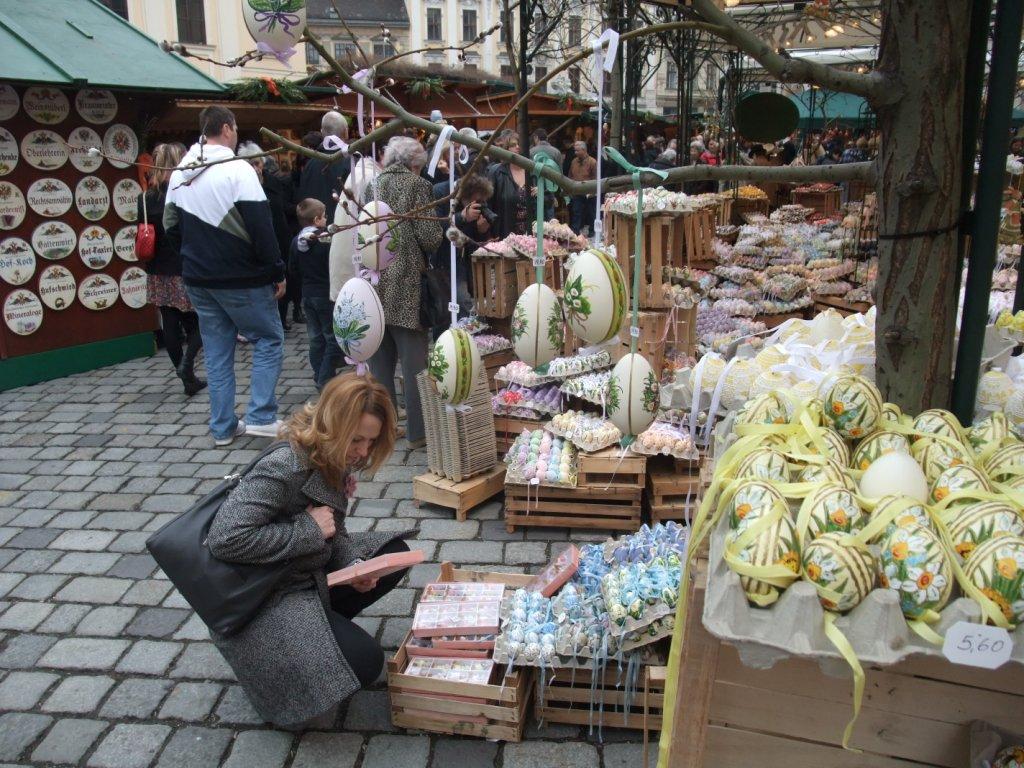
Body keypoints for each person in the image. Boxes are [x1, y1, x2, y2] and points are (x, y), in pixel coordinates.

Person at [207, 373, 412, 728]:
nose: (363, 451)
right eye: (357, 439)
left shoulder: (334, 458)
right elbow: (225, 537)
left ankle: (315, 640)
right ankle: (283, 656)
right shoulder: (285, 466)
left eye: (370, 441)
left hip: (305, 578)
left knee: (390, 556)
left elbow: (335, 532)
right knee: (364, 663)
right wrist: (308, 530)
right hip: (264, 596)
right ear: (334, 425)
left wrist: (355, 564)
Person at [164, 105, 286, 446]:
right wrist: (276, 269)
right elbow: (262, 227)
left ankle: (222, 427)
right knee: (268, 339)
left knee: (217, 352)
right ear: (228, 128)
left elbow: (170, 226)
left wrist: (192, 257)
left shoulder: (179, 172)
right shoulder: (238, 169)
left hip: (199, 278)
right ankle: (261, 415)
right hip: (242, 276)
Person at [366, 137, 444, 449]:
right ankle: (418, 432)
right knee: (415, 364)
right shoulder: (416, 186)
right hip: (407, 283)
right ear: (415, 163)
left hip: (374, 279)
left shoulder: (371, 184)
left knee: (380, 362)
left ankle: (381, 431)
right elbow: (430, 238)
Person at [138, 142, 206, 397]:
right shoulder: (184, 192)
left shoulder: (144, 199)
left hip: (157, 267)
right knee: (203, 318)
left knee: (169, 319)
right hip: (184, 264)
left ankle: (183, 371)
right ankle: (187, 366)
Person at [239, 141, 303, 331]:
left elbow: (281, 207)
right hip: (256, 240)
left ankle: (281, 319)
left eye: (257, 163)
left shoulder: (273, 181)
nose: (255, 168)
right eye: (251, 164)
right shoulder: (241, 185)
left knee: (283, 279)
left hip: (279, 235)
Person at [291, 198, 341, 391]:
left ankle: (318, 371)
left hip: (307, 293)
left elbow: (293, 268)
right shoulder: (325, 239)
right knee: (332, 338)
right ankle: (325, 377)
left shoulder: (296, 241)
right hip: (325, 292)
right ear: (318, 219)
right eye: (325, 215)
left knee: (315, 337)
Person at [329, 153, 383, 302]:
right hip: (358, 259)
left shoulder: (360, 172)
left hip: (349, 255)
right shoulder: (371, 176)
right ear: (382, 154)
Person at [298, 111, 351, 221]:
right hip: (345, 228)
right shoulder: (352, 162)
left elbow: (303, 201)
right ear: (346, 132)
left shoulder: (309, 165)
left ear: (322, 132)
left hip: (316, 229)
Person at [487, 131, 537, 239]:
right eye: (512, 145)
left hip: (531, 237)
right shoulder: (497, 172)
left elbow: (548, 201)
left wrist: (540, 192)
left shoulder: (533, 171)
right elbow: (487, 203)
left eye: (519, 144)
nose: (517, 147)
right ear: (506, 149)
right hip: (505, 233)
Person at [567, 141, 597, 235]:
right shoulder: (574, 162)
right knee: (576, 212)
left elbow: (596, 178)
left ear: (584, 150)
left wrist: (592, 192)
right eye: (575, 150)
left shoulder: (592, 162)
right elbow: (570, 176)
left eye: (577, 150)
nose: (575, 153)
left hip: (589, 193)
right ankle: (575, 232)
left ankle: (592, 232)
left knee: (591, 214)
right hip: (577, 192)